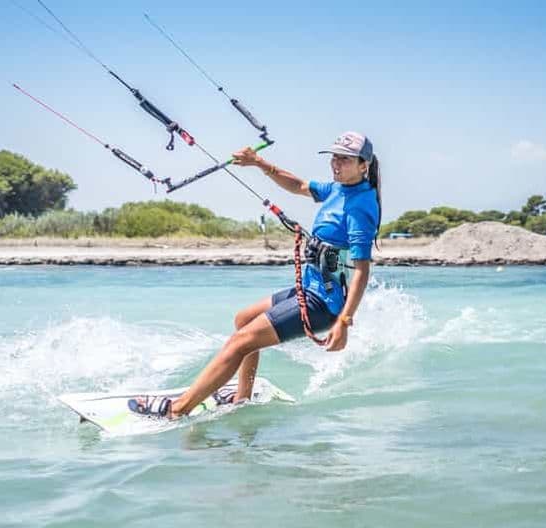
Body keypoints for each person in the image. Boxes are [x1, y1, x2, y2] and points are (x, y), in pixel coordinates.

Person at [129, 131, 382, 417]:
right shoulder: (338, 189)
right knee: (243, 319)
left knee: (240, 342)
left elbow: (362, 270)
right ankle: (241, 397)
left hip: (324, 303)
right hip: (310, 290)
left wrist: (345, 321)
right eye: (334, 157)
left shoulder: (361, 207)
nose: (336, 164)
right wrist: (259, 163)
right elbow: (299, 185)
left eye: (345, 160)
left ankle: (178, 409)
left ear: (364, 165)